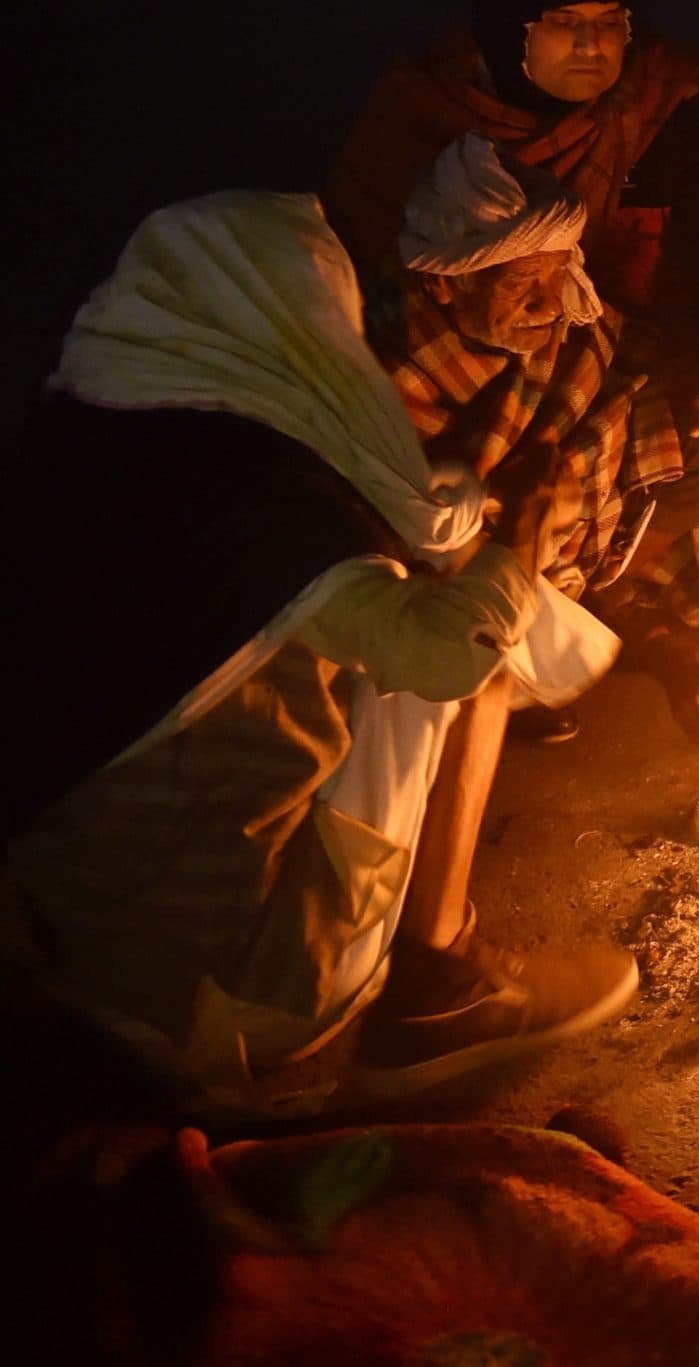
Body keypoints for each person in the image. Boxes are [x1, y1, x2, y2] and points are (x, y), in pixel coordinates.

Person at [6, 192, 630, 1103]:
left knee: (371, 623)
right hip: (227, 992)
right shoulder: (258, 500)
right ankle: (441, 983)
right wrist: (524, 538)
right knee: (475, 652)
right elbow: (445, 654)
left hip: (83, 950)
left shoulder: (77, 453)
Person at [326, 0, 699, 619]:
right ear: (509, 30)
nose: (591, 45)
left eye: (609, 23)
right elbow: (356, 268)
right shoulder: (426, 113)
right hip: (457, 361)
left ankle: (611, 593)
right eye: (564, 23)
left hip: (593, 350)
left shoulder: (656, 101)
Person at [384, 135, 699, 765]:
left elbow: (640, 375)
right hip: (477, 575)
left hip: (574, 537)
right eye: (520, 281)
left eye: (558, 274)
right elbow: (431, 536)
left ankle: (612, 596)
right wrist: (521, 518)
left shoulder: (573, 331)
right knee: (448, 589)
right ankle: (527, 659)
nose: (548, 302)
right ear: (445, 282)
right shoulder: (393, 387)